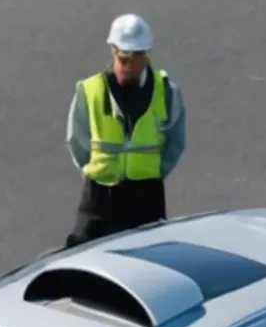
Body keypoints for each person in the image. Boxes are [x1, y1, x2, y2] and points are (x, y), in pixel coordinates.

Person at [64, 13, 184, 246]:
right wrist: (102, 169)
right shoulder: (91, 90)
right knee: (82, 261)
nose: (130, 65)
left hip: (146, 198)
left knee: (149, 266)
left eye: (137, 57)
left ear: (146, 55)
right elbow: (77, 141)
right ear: (113, 50)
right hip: (100, 197)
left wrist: (150, 172)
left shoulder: (166, 91)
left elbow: (176, 142)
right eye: (124, 57)